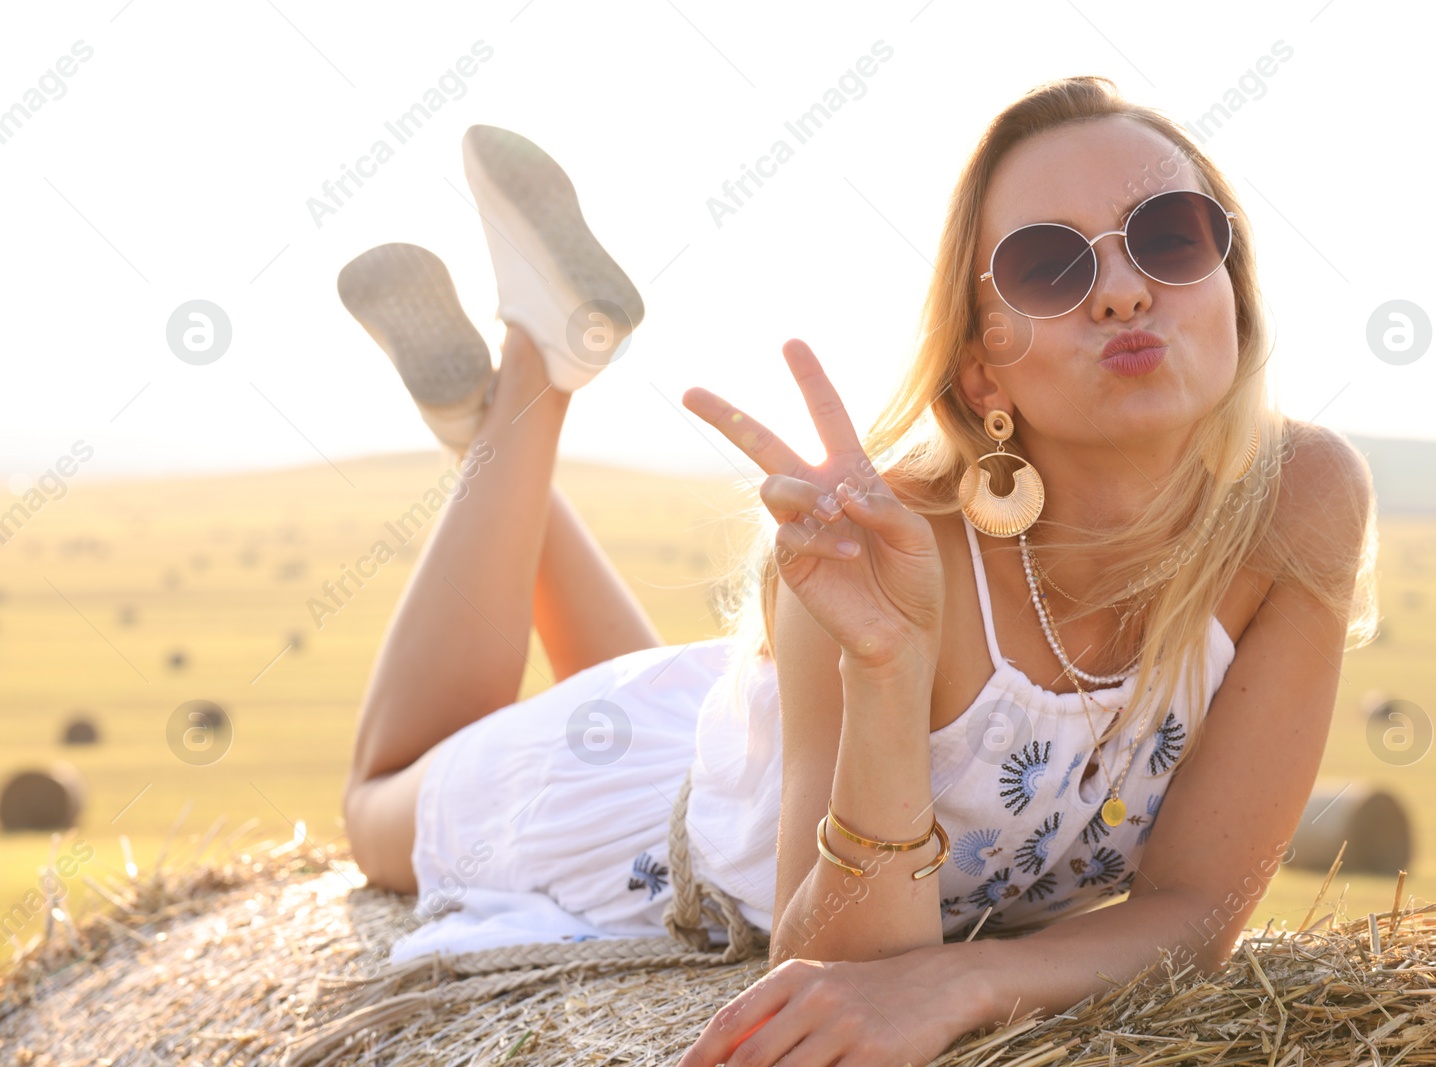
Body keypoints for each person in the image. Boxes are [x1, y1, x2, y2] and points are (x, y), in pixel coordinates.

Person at [338, 77, 1378, 1067]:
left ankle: (490, 431)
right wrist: (882, 664)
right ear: (979, 366)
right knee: (378, 797)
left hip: (740, 737)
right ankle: (534, 368)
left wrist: (967, 984)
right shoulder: (888, 545)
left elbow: (1196, 908)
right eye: (1047, 267)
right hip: (630, 814)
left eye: (1168, 237)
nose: (1119, 288)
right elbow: (834, 976)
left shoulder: (1302, 503)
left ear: (1231, 293)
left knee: (701, 723)